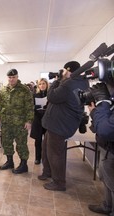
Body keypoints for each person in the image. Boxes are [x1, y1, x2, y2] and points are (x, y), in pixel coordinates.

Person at [38, 61, 89, 191]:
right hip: (57, 124)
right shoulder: (81, 82)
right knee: (46, 149)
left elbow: (52, 96)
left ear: (69, 71)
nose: (63, 73)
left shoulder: (69, 83)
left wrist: (57, 80)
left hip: (60, 125)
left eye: (65, 71)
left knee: (56, 154)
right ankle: (48, 172)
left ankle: (59, 182)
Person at [0, 69, 34, 174]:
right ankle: (9, 162)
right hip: (7, 122)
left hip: (20, 123)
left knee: (21, 144)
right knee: (6, 143)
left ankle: (23, 165)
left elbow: (30, 107)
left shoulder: (24, 89)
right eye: (9, 77)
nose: (11, 79)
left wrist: (29, 121)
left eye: (13, 77)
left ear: (17, 77)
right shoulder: (4, 90)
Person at [87, 82, 114, 215]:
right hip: (107, 147)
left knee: (112, 183)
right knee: (106, 179)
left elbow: (106, 129)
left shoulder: (106, 103)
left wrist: (103, 103)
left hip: (111, 149)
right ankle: (107, 205)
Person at [30, 78, 49, 165]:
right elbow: (31, 106)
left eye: (43, 84)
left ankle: (47, 158)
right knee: (38, 141)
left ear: (46, 85)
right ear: (38, 86)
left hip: (47, 120)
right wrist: (34, 108)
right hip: (37, 120)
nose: (42, 85)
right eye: (40, 84)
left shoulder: (50, 94)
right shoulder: (35, 95)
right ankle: (38, 158)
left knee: (47, 141)